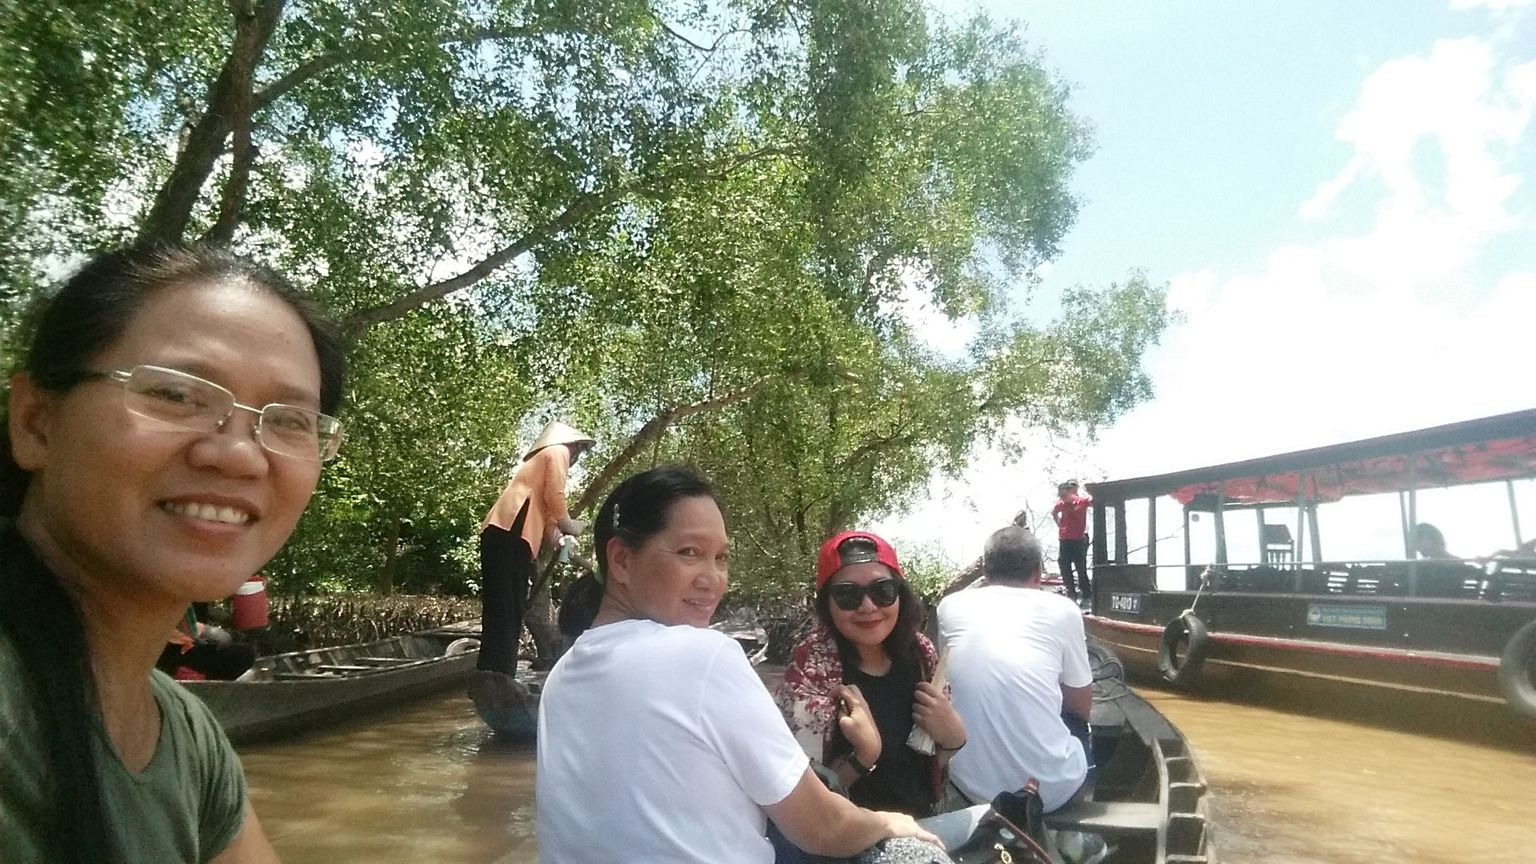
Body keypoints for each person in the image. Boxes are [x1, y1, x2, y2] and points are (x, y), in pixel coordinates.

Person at [0, 243, 346, 863]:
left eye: (290, 420)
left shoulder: (186, 736)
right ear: (35, 422)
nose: (238, 454)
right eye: (177, 395)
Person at [537, 466, 941, 863]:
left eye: (721, 557)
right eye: (689, 553)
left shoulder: (561, 675)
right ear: (622, 560)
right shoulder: (703, 655)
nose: (712, 578)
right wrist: (889, 823)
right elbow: (822, 827)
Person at [775, 531, 966, 818]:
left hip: (924, 822)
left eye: (883, 590)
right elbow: (802, 795)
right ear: (827, 603)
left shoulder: (922, 654)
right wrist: (863, 756)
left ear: (900, 595)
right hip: (847, 836)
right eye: (848, 595)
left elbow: (931, 759)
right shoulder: (812, 667)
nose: (868, 606)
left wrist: (954, 738)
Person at [937, 526, 1093, 814]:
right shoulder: (1064, 609)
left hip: (970, 787)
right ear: (1037, 572)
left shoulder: (950, 605)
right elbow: (1080, 703)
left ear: (985, 570)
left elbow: (946, 680)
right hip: (1051, 792)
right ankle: (1075, 831)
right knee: (1081, 730)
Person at [475, 420, 593, 678]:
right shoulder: (557, 451)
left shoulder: (541, 465)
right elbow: (555, 497)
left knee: (506, 606)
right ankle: (498, 674)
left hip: (504, 533)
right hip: (510, 529)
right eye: (578, 449)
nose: (576, 455)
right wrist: (569, 524)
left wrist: (559, 536)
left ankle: (492, 671)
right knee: (507, 606)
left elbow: (549, 515)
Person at [1051, 480, 1092, 608]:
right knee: (1064, 566)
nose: (1062, 498)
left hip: (1078, 540)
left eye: (1064, 495)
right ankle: (1071, 595)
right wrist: (1059, 524)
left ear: (1071, 493)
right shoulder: (1061, 504)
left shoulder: (1081, 502)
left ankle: (1086, 594)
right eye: (1061, 496)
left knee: (1081, 567)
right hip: (1064, 540)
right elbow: (1053, 512)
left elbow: (1093, 501)